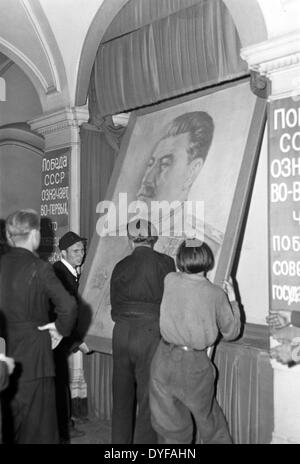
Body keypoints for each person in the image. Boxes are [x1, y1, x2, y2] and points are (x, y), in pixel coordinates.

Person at [149, 239, 241, 444]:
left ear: (181, 260)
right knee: (211, 425)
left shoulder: (170, 279)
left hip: (162, 360)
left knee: (171, 430)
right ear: (207, 260)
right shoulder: (216, 294)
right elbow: (231, 332)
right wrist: (233, 300)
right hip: (194, 366)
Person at [0, 209, 76, 444]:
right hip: (35, 359)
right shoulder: (40, 268)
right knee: (39, 432)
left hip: (3, 359)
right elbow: (69, 306)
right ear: (34, 235)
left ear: (9, 234)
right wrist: (58, 329)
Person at [110, 218, 176, 444]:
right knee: (148, 397)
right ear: (152, 239)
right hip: (150, 332)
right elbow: (170, 302)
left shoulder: (121, 266)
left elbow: (114, 307)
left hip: (121, 333)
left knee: (121, 395)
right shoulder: (166, 263)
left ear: (130, 241)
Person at [52, 231, 90, 444]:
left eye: (82, 250)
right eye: (76, 251)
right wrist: (78, 340)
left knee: (60, 379)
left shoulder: (70, 271)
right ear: (63, 252)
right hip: (56, 336)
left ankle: (66, 422)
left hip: (61, 335)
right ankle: (64, 427)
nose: (81, 254)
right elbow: (66, 311)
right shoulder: (58, 273)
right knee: (59, 380)